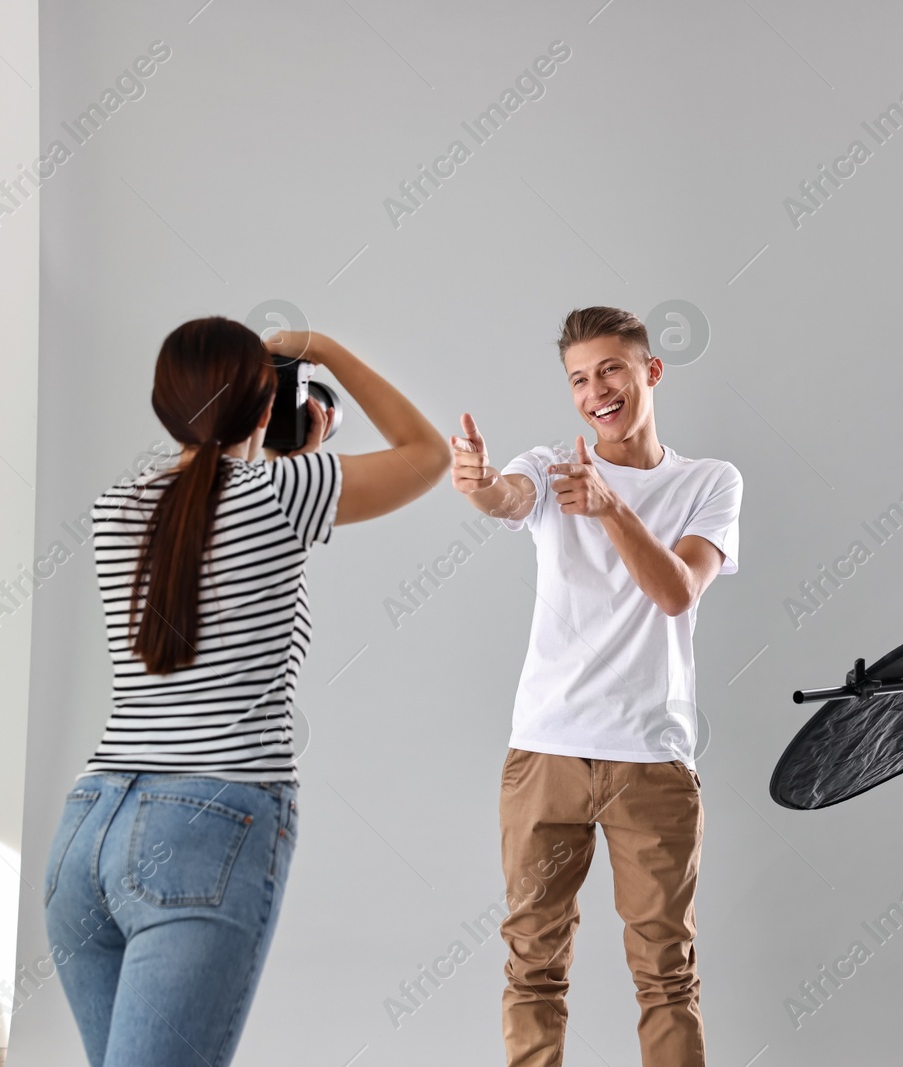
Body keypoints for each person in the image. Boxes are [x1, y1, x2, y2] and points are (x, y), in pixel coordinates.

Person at [43, 318, 447, 1066]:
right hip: (208, 819)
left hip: (87, 829)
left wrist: (286, 458)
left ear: (164, 405)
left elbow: (212, 523)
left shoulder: (113, 508)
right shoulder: (285, 492)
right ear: (266, 410)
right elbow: (429, 455)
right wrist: (321, 347)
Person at [449, 306, 742, 1067]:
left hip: (652, 761)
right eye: (578, 378)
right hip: (545, 754)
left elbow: (677, 591)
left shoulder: (709, 482)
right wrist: (480, 485)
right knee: (533, 967)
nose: (595, 391)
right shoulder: (552, 464)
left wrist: (611, 507)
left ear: (650, 370)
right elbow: (509, 498)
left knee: (666, 975)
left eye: (610, 369)